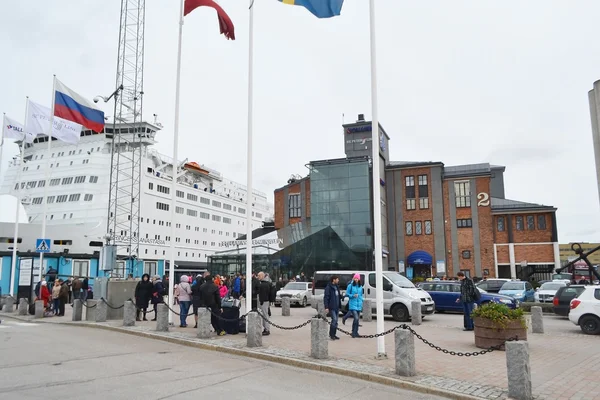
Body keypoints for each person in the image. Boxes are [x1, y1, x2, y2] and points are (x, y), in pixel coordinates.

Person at [342, 274, 363, 338]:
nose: (356, 279)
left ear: (359, 279)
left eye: (357, 278)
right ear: (353, 279)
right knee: (356, 318)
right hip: (352, 304)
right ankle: (353, 332)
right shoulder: (350, 286)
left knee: (357, 319)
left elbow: (361, 295)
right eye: (355, 278)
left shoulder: (360, 286)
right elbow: (347, 294)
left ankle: (355, 332)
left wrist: (361, 300)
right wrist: (352, 295)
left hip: (359, 304)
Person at [323, 275, 342, 340]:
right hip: (332, 307)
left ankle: (334, 334)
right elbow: (326, 298)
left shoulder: (337, 287)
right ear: (333, 280)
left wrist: (342, 296)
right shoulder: (328, 287)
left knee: (336, 321)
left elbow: (338, 296)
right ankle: (331, 335)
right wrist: (326, 307)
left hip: (337, 307)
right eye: (337, 279)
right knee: (334, 320)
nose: (338, 280)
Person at [257, 272, 271, 336]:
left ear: (262, 276)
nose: (258, 277)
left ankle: (267, 329)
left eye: (259, 275)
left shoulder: (264, 284)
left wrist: (262, 300)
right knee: (264, 314)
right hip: (264, 300)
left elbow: (264, 293)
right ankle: (265, 328)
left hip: (264, 301)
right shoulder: (264, 283)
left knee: (265, 315)